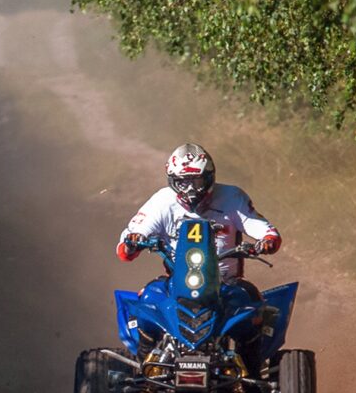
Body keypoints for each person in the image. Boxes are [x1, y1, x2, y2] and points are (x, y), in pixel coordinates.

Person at [115, 143, 282, 368]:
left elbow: (264, 229)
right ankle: (143, 370)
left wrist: (266, 241)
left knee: (252, 304)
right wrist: (133, 241)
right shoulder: (162, 201)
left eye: (197, 181)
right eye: (183, 182)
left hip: (226, 286)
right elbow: (129, 242)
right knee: (147, 299)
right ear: (172, 181)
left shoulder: (232, 197)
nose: (191, 190)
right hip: (176, 286)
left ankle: (251, 375)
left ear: (210, 178)